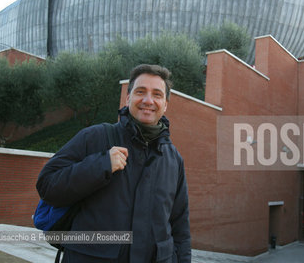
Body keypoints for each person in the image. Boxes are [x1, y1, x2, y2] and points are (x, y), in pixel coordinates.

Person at [36, 64, 191, 262]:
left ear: (166, 104)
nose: (148, 100)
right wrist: (100, 165)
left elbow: (180, 227)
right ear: (128, 98)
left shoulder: (174, 159)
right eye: (140, 92)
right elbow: (47, 184)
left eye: (157, 94)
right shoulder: (94, 137)